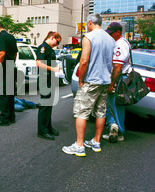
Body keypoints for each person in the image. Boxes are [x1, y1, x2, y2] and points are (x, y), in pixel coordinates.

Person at [62, 13, 115, 157]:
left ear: (90, 22)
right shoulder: (110, 39)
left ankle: (79, 146)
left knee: (81, 112)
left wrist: (80, 79)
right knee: (100, 111)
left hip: (91, 80)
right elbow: (113, 62)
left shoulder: (89, 37)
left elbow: (84, 61)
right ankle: (96, 141)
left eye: (87, 24)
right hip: (104, 81)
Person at [103, 22, 131, 143]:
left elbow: (118, 67)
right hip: (121, 77)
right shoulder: (124, 42)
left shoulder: (120, 44)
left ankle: (117, 130)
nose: (110, 35)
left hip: (119, 78)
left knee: (114, 105)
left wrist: (112, 84)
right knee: (115, 104)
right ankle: (114, 127)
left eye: (111, 33)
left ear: (118, 32)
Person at [0, 21, 18, 126]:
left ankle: (4, 118)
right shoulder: (11, 37)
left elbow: (1, 53)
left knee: (2, 94)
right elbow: (15, 53)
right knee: (10, 93)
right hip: (11, 66)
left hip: (4, 68)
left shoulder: (0, 37)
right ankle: (11, 116)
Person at [36, 31, 62, 140]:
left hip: (50, 78)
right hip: (44, 79)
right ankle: (42, 130)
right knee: (45, 105)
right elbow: (39, 63)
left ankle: (48, 127)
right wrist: (53, 69)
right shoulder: (43, 47)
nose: (57, 45)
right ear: (52, 37)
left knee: (49, 105)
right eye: (57, 42)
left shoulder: (50, 48)